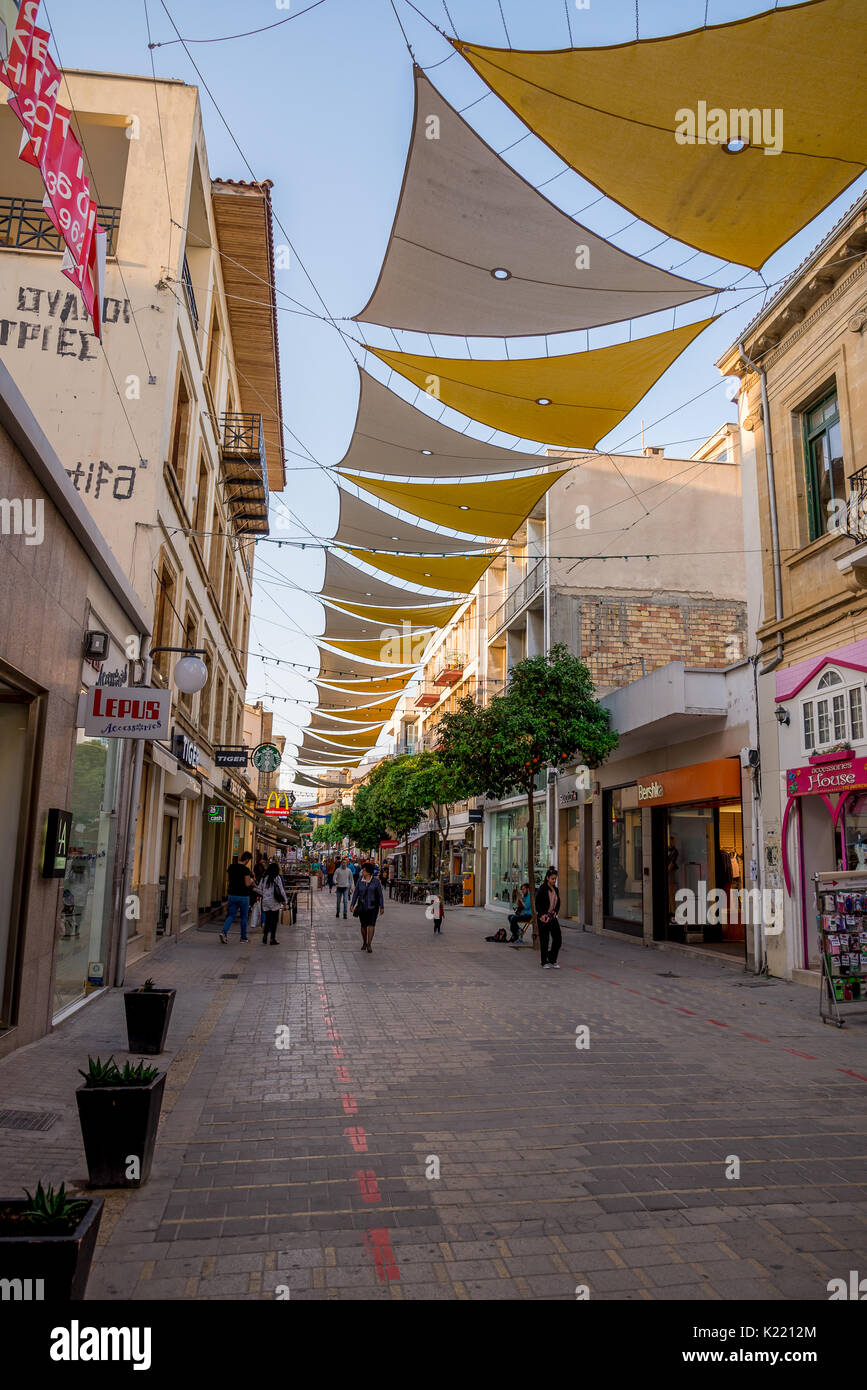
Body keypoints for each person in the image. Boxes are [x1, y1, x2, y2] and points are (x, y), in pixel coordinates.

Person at [350, 861, 384, 953]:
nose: (362, 872)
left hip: (373, 906)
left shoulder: (376, 881)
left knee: (372, 924)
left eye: (364, 870)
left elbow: (380, 895)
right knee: (363, 925)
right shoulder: (360, 880)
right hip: (362, 906)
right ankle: (364, 942)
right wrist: (352, 904)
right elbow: (356, 893)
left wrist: (382, 906)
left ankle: (369, 944)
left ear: (369, 872)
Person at [221, 852, 254, 944]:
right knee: (244, 917)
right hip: (243, 896)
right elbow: (247, 883)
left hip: (232, 895)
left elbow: (227, 879)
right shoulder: (246, 870)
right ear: (247, 859)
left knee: (231, 915)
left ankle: (224, 932)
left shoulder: (231, 867)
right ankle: (243, 937)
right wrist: (252, 880)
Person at [536, 867, 562, 969]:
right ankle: (544, 961)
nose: (554, 881)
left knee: (558, 940)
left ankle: (552, 958)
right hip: (544, 918)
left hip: (552, 917)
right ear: (547, 878)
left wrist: (556, 911)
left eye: (555, 879)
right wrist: (542, 915)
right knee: (545, 940)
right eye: (552, 879)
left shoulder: (555, 889)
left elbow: (558, 902)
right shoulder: (542, 889)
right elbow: (537, 904)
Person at [258, 861, 288, 945]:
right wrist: (285, 901)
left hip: (266, 902)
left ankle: (264, 937)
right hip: (274, 902)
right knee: (274, 921)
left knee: (267, 920)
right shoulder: (277, 878)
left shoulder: (264, 878)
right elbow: (281, 891)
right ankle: (272, 939)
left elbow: (260, 890)